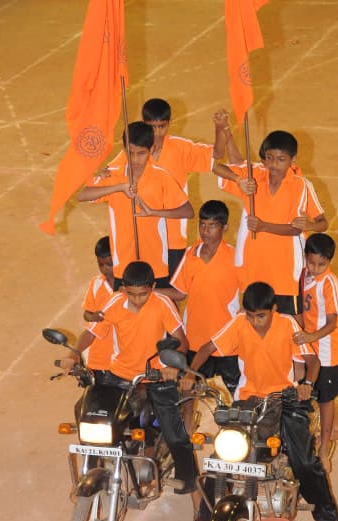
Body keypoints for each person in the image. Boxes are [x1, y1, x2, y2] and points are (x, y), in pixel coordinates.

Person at [181, 281, 338, 521]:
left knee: (304, 461)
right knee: (222, 457)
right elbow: (207, 348)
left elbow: (312, 361)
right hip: (249, 400)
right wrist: (190, 373)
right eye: (250, 315)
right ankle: (202, 520)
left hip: (285, 399)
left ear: (274, 309)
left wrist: (306, 383)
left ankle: (332, 520)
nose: (255, 321)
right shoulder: (239, 323)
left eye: (261, 316)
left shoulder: (287, 324)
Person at [71, 261, 197, 494]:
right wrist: (73, 353)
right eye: (131, 294)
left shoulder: (163, 303)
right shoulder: (114, 303)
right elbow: (91, 332)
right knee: (92, 415)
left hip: (156, 376)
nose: (137, 300)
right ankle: (91, 470)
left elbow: (181, 340)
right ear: (123, 290)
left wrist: (172, 365)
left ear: (153, 287)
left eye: (143, 294)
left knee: (174, 432)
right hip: (119, 376)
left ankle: (187, 478)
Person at [214, 129, 327, 315]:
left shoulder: (300, 186)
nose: (274, 164)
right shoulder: (254, 176)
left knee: (291, 320)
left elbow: (312, 225)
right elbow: (217, 167)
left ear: (293, 160)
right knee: (255, 318)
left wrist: (310, 226)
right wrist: (239, 180)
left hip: (285, 269)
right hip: (254, 266)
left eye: (281, 159)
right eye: (269, 158)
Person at [78, 121, 193, 287]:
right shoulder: (113, 174)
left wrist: (154, 212)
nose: (135, 159)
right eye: (130, 153)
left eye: (141, 153)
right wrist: (119, 187)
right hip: (123, 263)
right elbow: (83, 195)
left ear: (151, 150)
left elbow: (187, 211)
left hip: (155, 262)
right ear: (124, 149)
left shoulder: (162, 177)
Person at [141, 100, 242, 276]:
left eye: (161, 127)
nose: (156, 132)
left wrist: (219, 128)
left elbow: (216, 154)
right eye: (152, 127)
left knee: (172, 285)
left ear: (169, 123)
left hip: (173, 237)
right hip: (143, 234)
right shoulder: (135, 150)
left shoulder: (180, 148)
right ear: (143, 124)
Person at [167, 200, 241, 395]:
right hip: (194, 339)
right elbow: (180, 293)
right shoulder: (190, 254)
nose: (206, 231)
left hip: (226, 342)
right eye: (202, 225)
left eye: (212, 226)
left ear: (225, 227)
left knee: (231, 398)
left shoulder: (236, 257)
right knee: (189, 394)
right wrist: (150, 291)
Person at [294, 233, 338, 473]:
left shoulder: (329, 282)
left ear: (329, 262)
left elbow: (333, 322)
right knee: (304, 388)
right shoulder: (304, 275)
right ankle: (334, 427)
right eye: (311, 262)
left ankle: (324, 448)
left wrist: (312, 336)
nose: (315, 268)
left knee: (325, 398)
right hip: (308, 346)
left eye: (321, 264)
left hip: (324, 349)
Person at [81, 236, 118, 382]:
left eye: (109, 264)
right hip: (98, 356)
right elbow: (86, 313)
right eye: (100, 265)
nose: (104, 269)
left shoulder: (130, 288)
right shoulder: (96, 284)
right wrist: (92, 317)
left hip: (123, 354)